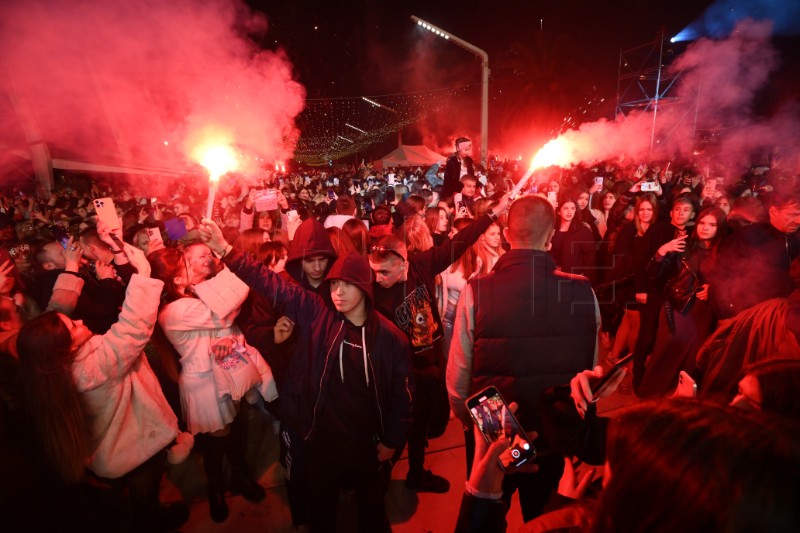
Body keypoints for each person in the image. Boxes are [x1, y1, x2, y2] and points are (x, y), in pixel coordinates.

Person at [200, 221, 413, 533]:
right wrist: (225, 250)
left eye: (348, 285)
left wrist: (392, 441)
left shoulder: (391, 338)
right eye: (334, 285)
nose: (338, 293)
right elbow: (268, 283)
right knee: (321, 508)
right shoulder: (317, 312)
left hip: (367, 441)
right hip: (322, 439)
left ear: (365, 287)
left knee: (370, 509)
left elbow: (402, 396)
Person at [15, 242, 189, 531]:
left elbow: (57, 310)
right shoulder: (93, 368)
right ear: (66, 349)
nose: (80, 321)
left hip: (105, 451)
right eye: (73, 328)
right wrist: (143, 272)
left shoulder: (48, 367)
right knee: (144, 496)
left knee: (124, 497)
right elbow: (133, 327)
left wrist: (71, 269)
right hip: (135, 447)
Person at [447, 194, 599, 522]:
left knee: (485, 512)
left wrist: (467, 417)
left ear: (505, 235)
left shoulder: (476, 290)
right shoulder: (583, 290)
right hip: (556, 436)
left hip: (493, 434)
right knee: (547, 518)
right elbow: (591, 370)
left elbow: (458, 378)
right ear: (551, 237)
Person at [369, 193, 511, 494]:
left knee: (421, 427)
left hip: (429, 365)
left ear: (404, 262)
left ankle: (416, 474)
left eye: (384, 271)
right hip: (399, 372)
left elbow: (460, 242)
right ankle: (377, 479)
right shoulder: (375, 290)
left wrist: (493, 214)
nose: (378, 278)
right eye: (375, 270)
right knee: (397, 428)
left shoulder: (422, 265)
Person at [149, 244, 278, 522]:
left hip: (227, 373)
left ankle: (239, 478)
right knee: (217, 442)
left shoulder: (197, 293)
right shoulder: (175, 310)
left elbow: (231, 328)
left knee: (236, 429)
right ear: (177, 280)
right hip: (205, 383)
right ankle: (217, 488)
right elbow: (228, 312)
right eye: (186, 262)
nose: (195, 262)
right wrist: (226, 268)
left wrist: (228, 339)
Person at [637, 207, 727, 396]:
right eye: (702, 223)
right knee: (666, 353)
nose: (705, 228)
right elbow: (654, 276)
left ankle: (679, 400)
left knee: (692, 358)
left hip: (703, 312)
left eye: (712, 225)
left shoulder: (724, 251)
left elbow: (732, 279)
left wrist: (714, 288)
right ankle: (651, 397)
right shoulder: (683, 246)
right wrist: (662, 251)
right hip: (677, 307)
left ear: (720, 228)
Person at [548, 197, 597, 282]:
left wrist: (585, 276)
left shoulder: (583, 231)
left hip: (574, 277)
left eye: (573, 208)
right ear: (559, 211)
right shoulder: (551, 229)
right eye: (566, 208)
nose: (569, 212)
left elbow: (590, 256)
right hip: (553, 276)